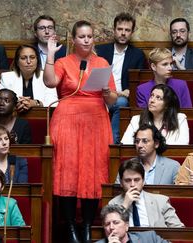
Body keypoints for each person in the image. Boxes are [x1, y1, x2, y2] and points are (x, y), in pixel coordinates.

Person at [43, 20, 117, 243]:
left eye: (90, 36)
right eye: (82, 36)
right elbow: (49, 82)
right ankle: (71, 227)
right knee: (69, 171)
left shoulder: (102, 61)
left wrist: (106, 92)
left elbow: (112, 99)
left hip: (96, 121)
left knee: (92, 172)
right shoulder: (64, 62)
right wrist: (49, 55)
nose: (86, 40)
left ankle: (86, 224)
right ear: (73, 40)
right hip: (67, 121)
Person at [96, 12, 146, 144]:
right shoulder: (100, 51)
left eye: (127, 30)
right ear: (114, 30)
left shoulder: (138, 55)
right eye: (120, 29)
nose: (123, 33)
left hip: (120, 98)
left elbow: (139, 83)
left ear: (132, 32)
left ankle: (111, 144)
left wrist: (130, 91)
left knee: (122, 103)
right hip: (99, 95)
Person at [109, 158, 184, 228]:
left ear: (143, 181)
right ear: (121, 183)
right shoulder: (113, 204)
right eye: (128, 180)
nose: (132, 184)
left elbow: (178, 230)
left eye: (137, 180)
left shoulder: (161, 202)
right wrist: (124, 206)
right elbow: (111, 229)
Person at [0, 44, 58, 110]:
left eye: (32, 57)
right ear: (17, 62)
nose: (29, 62)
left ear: (37, 60)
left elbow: (54, 104)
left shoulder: (47, 77)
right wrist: (17, 104)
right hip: (14, 117)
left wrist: (36, 103)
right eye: (23, 58)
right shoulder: (7, 78)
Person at [123, 84, 189, 145]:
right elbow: (125, 144)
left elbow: (182, 145)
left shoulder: (180, 119)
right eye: (152, 96)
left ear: (167, 105)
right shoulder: (136, 120)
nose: (152, 100)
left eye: (158, 98)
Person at [95, 204, 169, 243]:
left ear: (126, 225)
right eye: (107, 224)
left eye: (116, 222)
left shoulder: (150, 238)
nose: (111, 227)